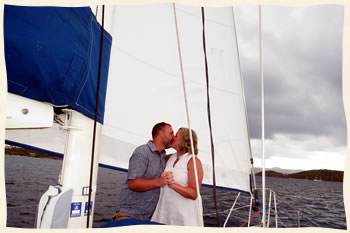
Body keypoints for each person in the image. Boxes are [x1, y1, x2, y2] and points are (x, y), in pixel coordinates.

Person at [112, 122, 174, 221]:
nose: (173, 137)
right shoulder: (142, 152)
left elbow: (179, 156)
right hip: (128, 216)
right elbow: (133, 183)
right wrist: (160, 181)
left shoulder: (162, 156)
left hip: (148, 218)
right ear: (161, 133)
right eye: (171, 134)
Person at [151, 127, 204, 226]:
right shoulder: (170, 157)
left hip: (184, 219)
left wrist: (172, 184)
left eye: (176, 136)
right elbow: (154, 157)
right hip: (165, 215)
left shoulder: (193, 161)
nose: (172, 137)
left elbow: (193, 194)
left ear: (184, 140)